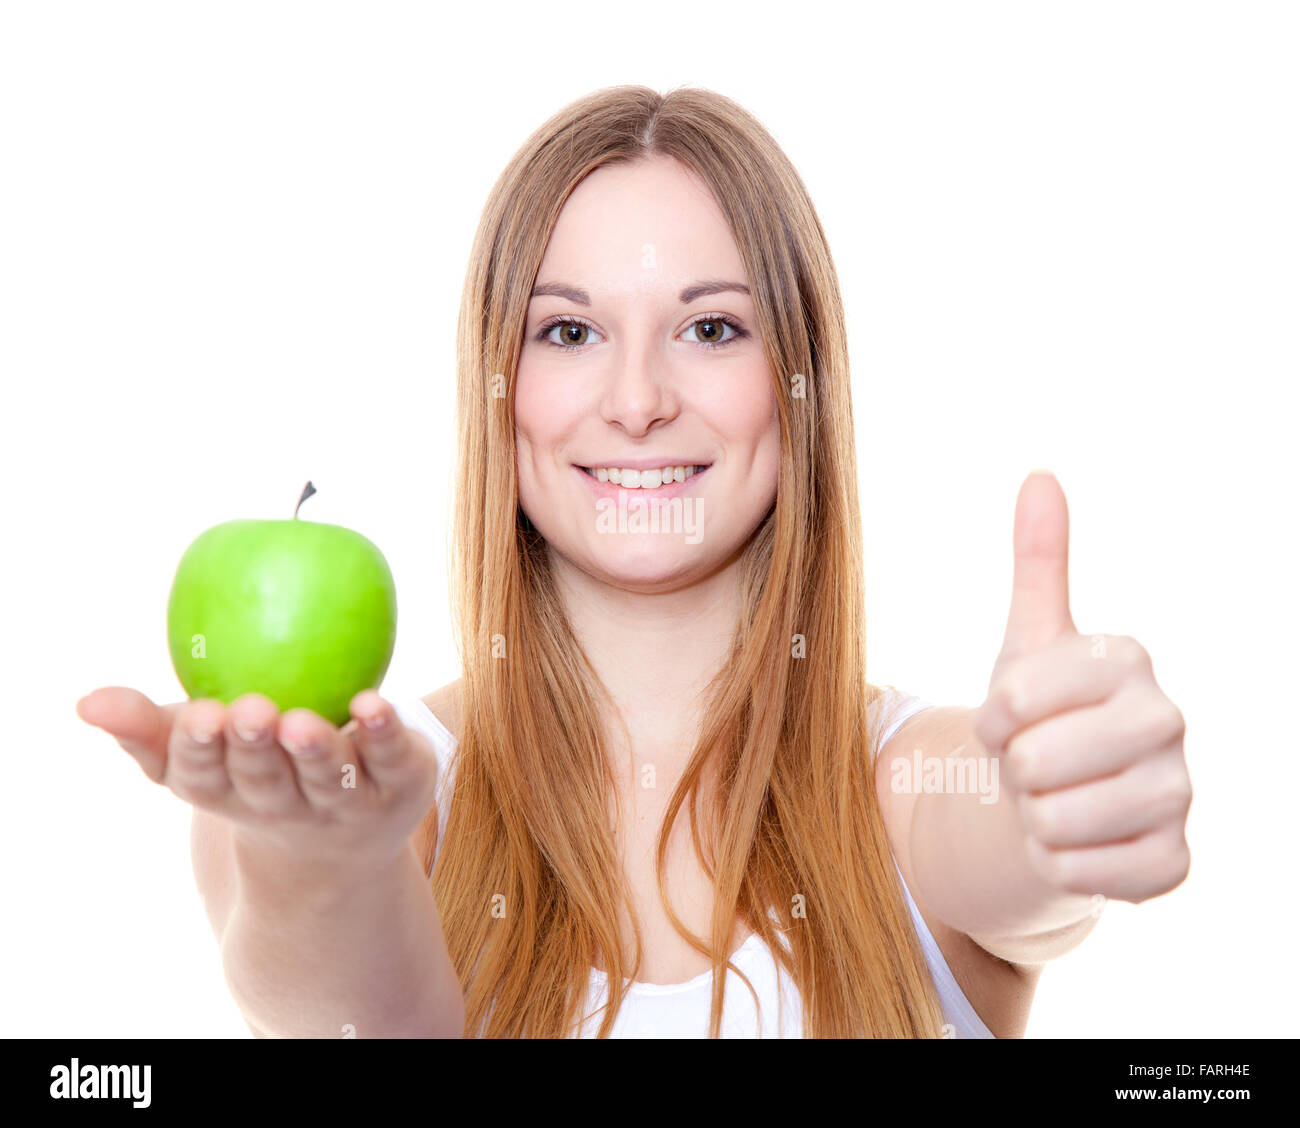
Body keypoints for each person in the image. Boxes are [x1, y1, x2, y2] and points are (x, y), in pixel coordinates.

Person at [75, 84, 1191, 1039]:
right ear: (498, 388)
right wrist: (329, 861)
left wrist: (1062, 805)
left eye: (711, 329)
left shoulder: (905, 788)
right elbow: (334, 1010)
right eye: (568, 332)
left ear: (798, 383)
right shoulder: (383, 785)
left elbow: (1011, 846)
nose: (638, 401)